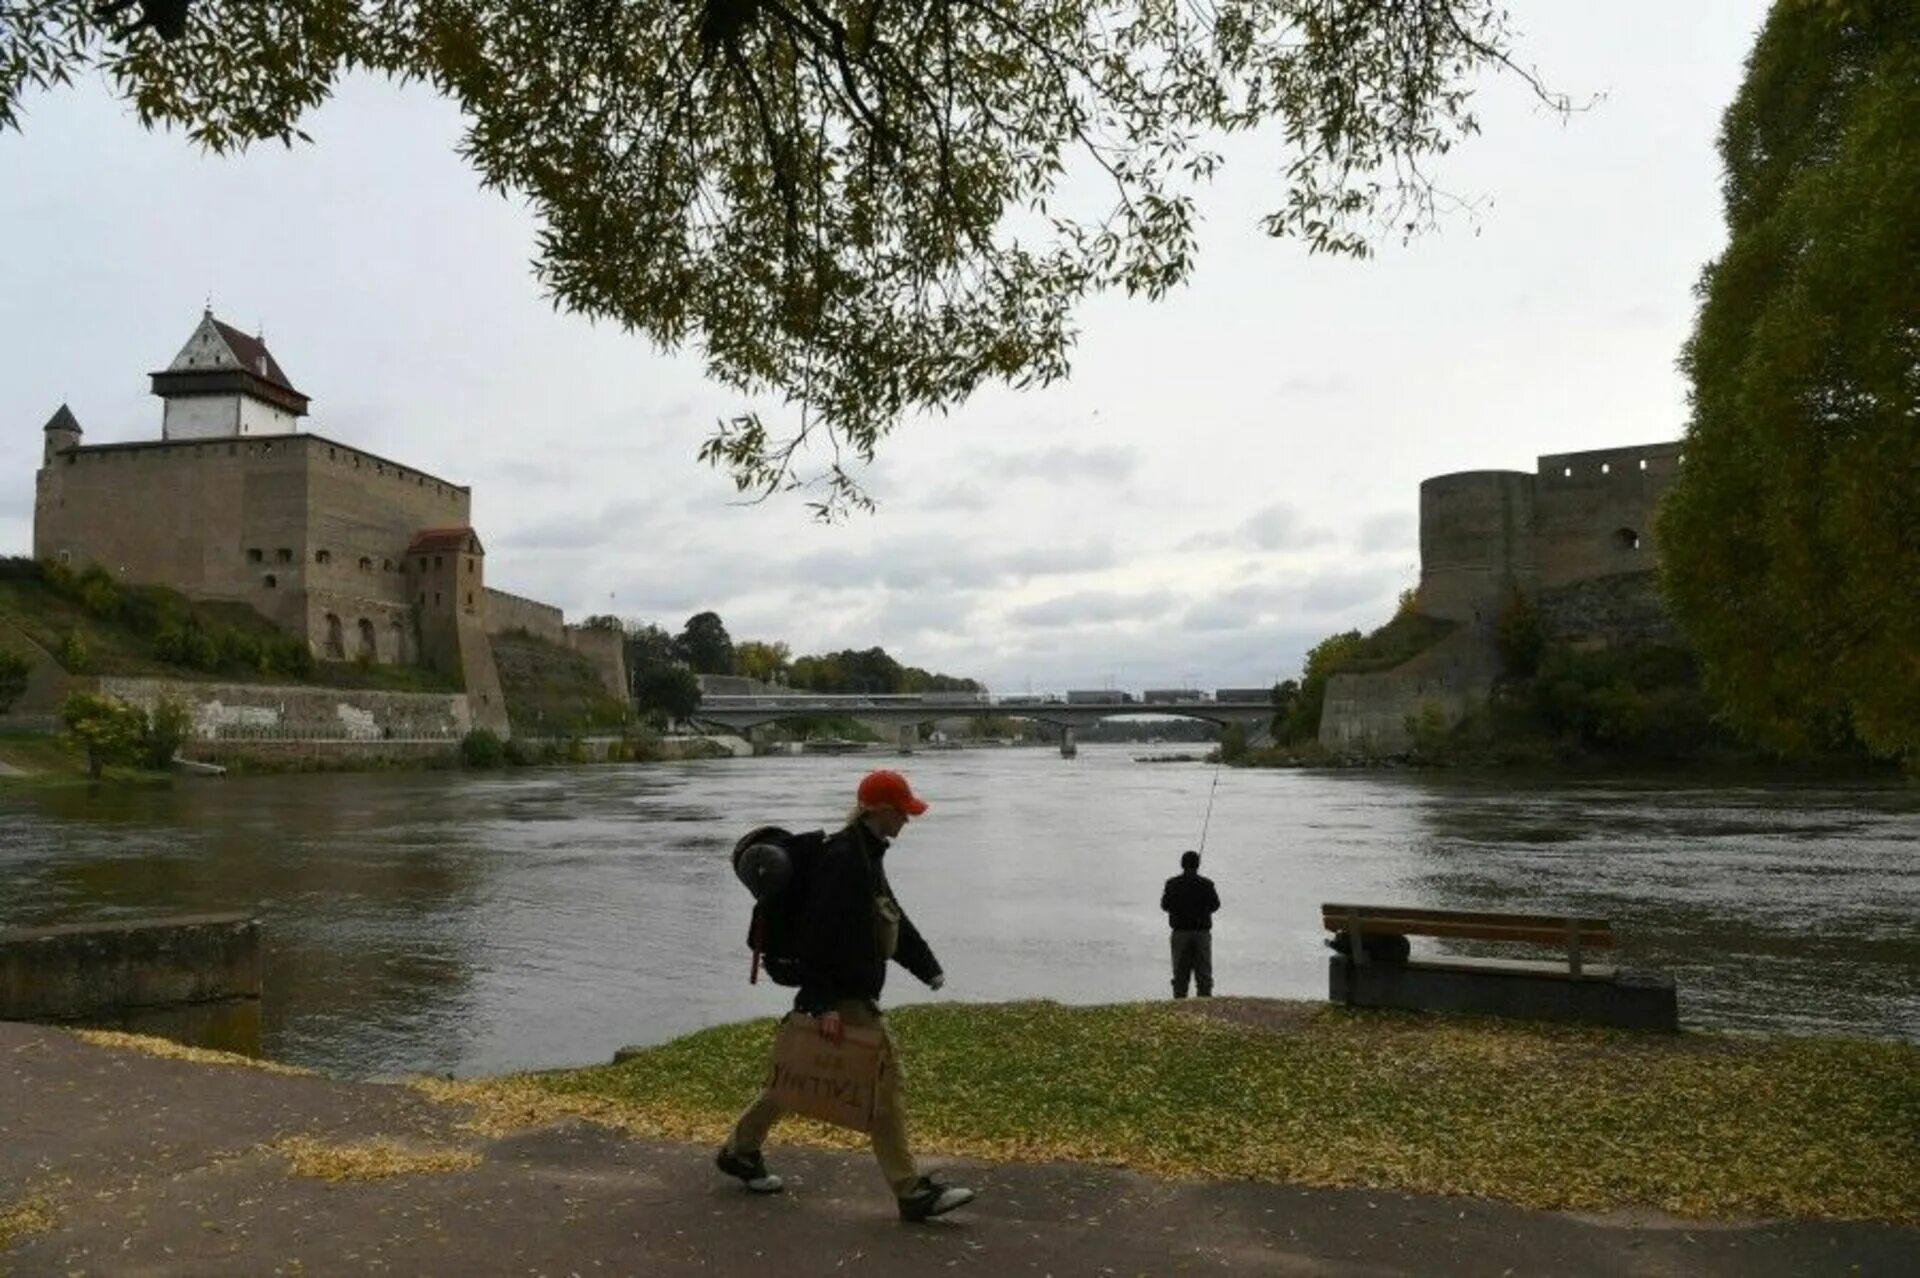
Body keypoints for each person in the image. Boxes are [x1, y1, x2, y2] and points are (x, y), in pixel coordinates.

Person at [716, 768, 976, 1222]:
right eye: (902, 812)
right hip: (843, 997)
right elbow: (817, 936)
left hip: (841, 994)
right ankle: (910, 1190)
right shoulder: (844, 860)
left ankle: (739, 1150)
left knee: (795, 1075)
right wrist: (822, 1005)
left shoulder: (865, 853)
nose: (907, 820)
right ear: (879, 810)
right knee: (884, 1084)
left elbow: (891, 915)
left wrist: (926, 966)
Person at [1160, 850, 1220, 998]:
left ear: (1182, 865)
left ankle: (1180, 1003)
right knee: (1204, 973)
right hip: (1201, 933)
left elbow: (1164, 905)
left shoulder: (1172, 884)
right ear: (1198, 865)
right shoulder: (1207, 884)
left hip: (1180, 933)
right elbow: (1215, 905)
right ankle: (1205, 1003)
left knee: (1180, 972)